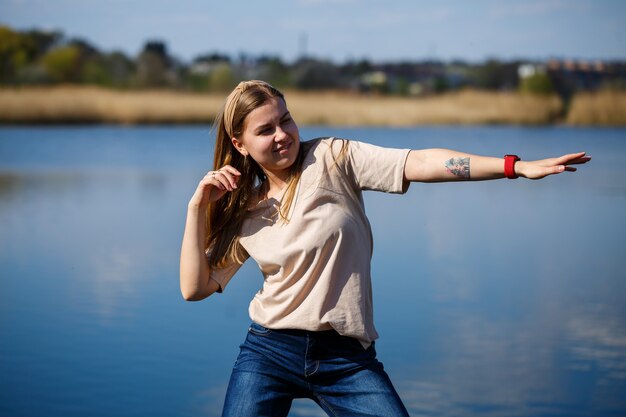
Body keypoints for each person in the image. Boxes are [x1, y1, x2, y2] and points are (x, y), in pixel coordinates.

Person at [180, 80, 590, 417]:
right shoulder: (244, 208)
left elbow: (422, 163)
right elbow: (194, 288)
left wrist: (512, 167)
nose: (283, 135)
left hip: (346, 356)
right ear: (239, 143)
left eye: (285, 120)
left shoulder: (333, 158)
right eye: (265, 130)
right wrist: (196, 207)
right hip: (269, 351)